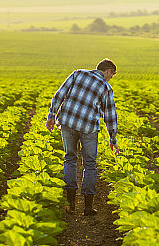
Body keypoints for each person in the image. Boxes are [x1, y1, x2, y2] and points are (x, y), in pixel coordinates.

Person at [46, 58, 119, 215]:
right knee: (90, 164)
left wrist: (51, 116)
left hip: (67, 122)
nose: (111, 78)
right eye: (112, 75)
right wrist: (113, 139)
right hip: (88, 128)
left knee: (70, 159)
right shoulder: (106, 87)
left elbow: (59, 95)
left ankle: (70, 203)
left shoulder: (77, 74)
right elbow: (110, 116)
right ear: (107, 71)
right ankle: (87, 207)